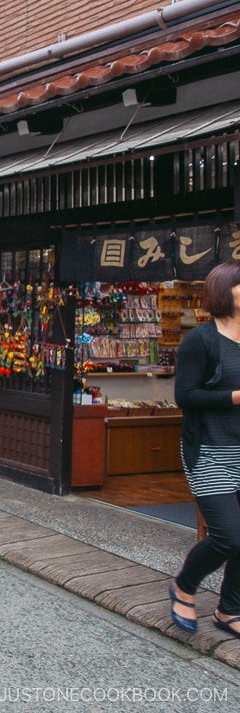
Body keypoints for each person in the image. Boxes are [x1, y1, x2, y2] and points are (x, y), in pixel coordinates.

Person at [170, 261, 240, 638]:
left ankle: (230, 610)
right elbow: (185, 396)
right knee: (229, 535)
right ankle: (184, 586)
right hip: (210, 450)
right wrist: (235, 397)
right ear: (224, 291)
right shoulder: (201, 339)